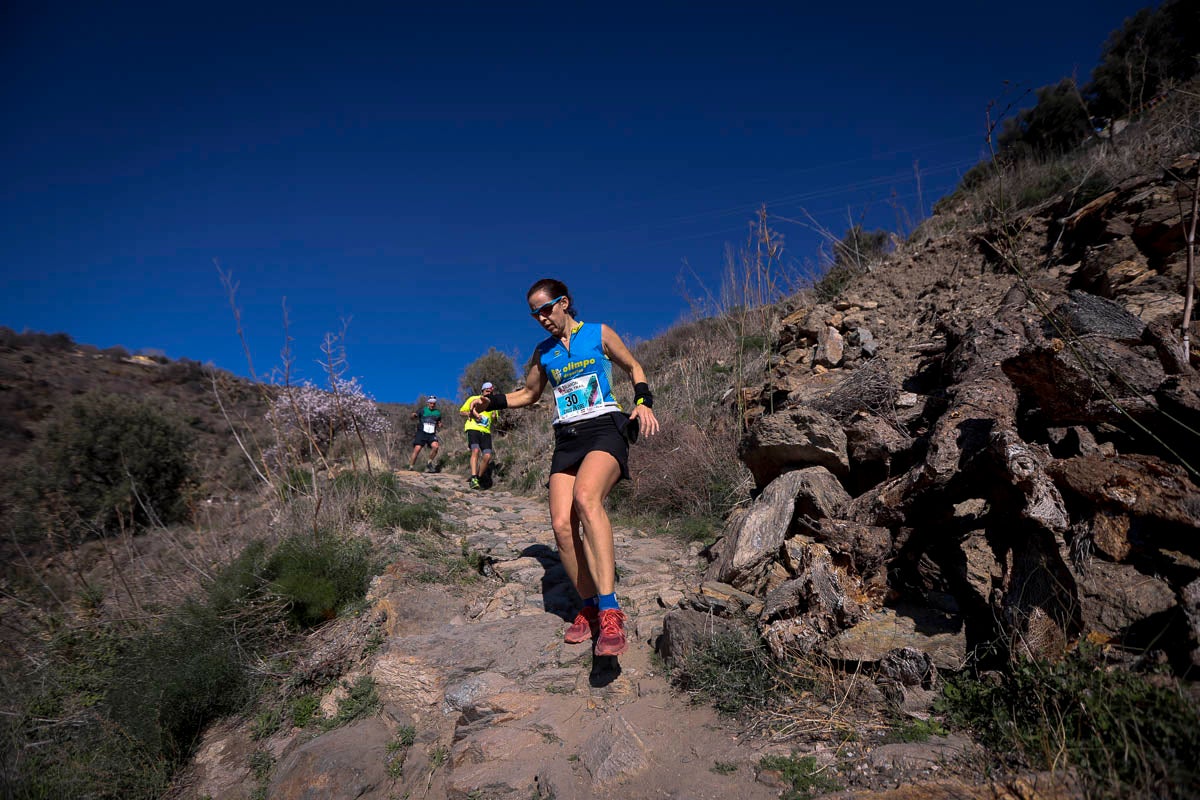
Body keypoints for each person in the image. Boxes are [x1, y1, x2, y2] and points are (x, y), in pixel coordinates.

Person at [472, 279, 658, 657]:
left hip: (605, 427)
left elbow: (633, 365)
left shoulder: (598, 333)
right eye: (534, 314)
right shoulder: (544, 352)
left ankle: (610, 611)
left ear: (564, 303)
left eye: (546, 309)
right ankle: (588, 607)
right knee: (561, 525)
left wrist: (643, 401)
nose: (541, 318)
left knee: (586, 498)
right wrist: (493, 402)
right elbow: (529, 393)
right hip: (567, 437)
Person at [459, 382, 499, 489]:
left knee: (487, 456)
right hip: (473, 429)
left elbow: (495, 420)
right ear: (482, 391)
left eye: (490, 392)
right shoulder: (473, 398)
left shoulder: (493, 404)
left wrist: (494, 417)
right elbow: (461, 412)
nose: (488, 393)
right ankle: (473, 477)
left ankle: (478, 478)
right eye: (487, 391)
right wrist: (471, 414)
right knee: (475, 450)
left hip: (486, 432)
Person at [408, 395, 442, 472]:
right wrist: (413, 416)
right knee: (417, 449)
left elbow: (439, 421)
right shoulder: (422, 410)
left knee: (436, 447)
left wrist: (440, 424)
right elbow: (413, 417)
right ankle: (411, 466)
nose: (432, 405)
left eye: (434, 403)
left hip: (431, 434)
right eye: (431, 403)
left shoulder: (438, 413)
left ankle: (429, 463)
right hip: (422, 433)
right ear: (428, 403)